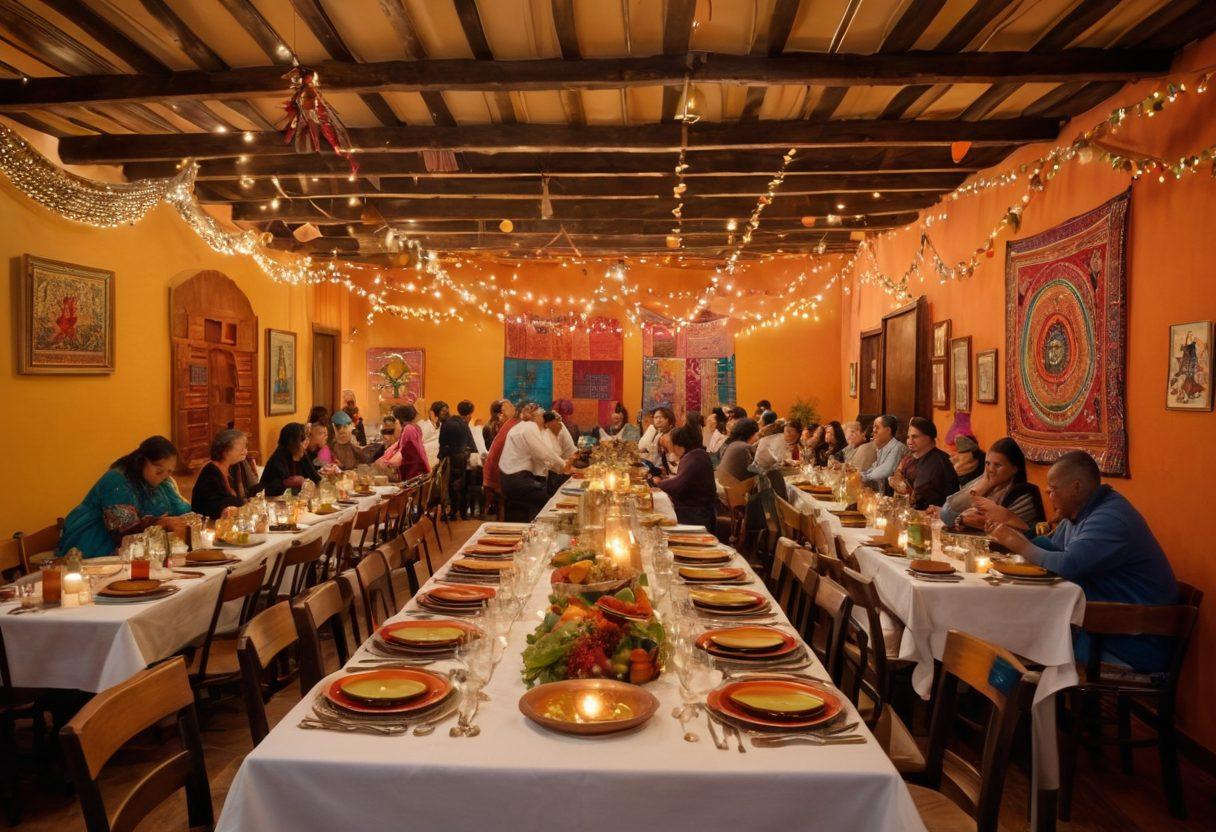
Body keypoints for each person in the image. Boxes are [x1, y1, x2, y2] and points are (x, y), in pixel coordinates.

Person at [987, 451, 1177, 672]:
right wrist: (1010, 536)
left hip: (1133, 642)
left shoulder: (1110, 518)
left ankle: (1019, 703)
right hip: (1102, 627)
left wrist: (1017, 543)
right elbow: (1050, 549)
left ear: (1076, 487)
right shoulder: (1080, 513)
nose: (1048, 492)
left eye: (1053, 488)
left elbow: (1067, 564)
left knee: (1022, 638)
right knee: (1013, 629)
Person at [59, 436, 192, 557]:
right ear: (142, 460)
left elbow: (181, 511)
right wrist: (161, 523)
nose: (163, 476)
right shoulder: (117, 481)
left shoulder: (163, 482)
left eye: (169, 471)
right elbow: (123, 532)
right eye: (159, 470)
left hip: (140, 548)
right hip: (94, 544)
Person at [929, 437, 1044, 531]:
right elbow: (946, 514)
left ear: (1014, 468)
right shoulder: (986, 483)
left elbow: (1002, 530)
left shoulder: (1024, 493)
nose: (990, 470)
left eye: (997, 465)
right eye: (988, 464)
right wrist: (985, 482)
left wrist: (961, 519)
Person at [498, 404, 574, 521]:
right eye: (542, 414)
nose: (544, 417)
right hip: (518, 481)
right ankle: (544, 534)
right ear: (535, 416)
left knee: (547, 501)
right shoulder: (529, 427)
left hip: (508, 479)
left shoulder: (521, 427)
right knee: (552, 505)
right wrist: (564, 466)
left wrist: (553, 430)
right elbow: (545, 454)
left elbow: (550, 453)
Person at [655, 423, 718, 533]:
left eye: (670, 442)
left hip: (696, 515)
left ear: (677, 444)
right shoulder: (695, 455)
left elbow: (679, 484)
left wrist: (659, 483)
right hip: (695, 511)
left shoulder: (695, 457)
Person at [890, 417, 958, 510]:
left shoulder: (942, 461)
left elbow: (919, 494)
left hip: (934, 517)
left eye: (915, 437)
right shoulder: (909, 459)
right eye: (908, 437)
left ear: (928, 437)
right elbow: (897, 477)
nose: (909, 441)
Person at [191, 429, 250, 519]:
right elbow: (216, 506)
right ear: (226, 451)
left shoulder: (232, 468)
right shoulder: (210, 473)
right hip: (208, 525)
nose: (245, 452)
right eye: (242, 448)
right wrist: (245, 504)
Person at [259, 423, 321, 497]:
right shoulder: (277, 460)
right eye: (303, 441)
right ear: (294, 442)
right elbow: (272, 491)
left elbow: (316, 479)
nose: (305, 444)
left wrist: (303, 482)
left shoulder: (301, 455)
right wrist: (292, 483)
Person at [439, 399, 477, 520]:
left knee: (450, 487)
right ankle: (464, 514)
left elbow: (442, 442)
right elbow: (472, 446)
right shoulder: (465, 426)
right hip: (462, 461)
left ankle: (452, 512)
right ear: (469, 414)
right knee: (464, 488)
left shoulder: (447, 423)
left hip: (449, 460)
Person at [483, 399, 523, 495]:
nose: (514, 407)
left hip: (494, 466)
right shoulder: (499, 426)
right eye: (511, 406)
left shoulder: (492, 425)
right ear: (501, 413)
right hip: (498, 469)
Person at [860, 414, 908, 493]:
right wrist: (854, 472)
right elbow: (873, 469)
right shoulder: (882, 448)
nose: (873, 431)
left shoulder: (897, 448)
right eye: (873, 427)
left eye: (877, 427)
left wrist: (860, 476)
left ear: (888, 430)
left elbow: (885, 471)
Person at [391, 404, 430, 481]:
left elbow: (407, 452)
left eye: (395, 419)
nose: (395, 422)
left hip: (413, 472)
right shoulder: (412, 427)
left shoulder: (408, 429)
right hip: (417, 470)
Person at [542, 410, 578, 492]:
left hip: (565, 468)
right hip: (560, 468)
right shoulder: (548, 431)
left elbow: (556, 456)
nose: (561, 426)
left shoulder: (557, 427)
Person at [718, 418, 759, 484]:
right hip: (732, 491)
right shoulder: (744, 447)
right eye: (757, 434)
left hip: (723, 487)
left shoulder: (733, 444)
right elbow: (757, 471)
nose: (758, 438)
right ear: (751, 433)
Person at [638, 407, 676, 474]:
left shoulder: (671, 435)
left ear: (669, 419)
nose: (658, 420)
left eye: (662, 417)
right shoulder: (659, 433)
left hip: (669, 473)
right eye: (656, 417)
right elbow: (644, 449)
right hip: (656, 469)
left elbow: (673, 460)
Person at [420, 401, 447, 467]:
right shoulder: (423, 425)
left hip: (438, 463)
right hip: (426, 461)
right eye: (443, 411)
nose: (445, 413)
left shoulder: (444, 425)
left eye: (446, 411)